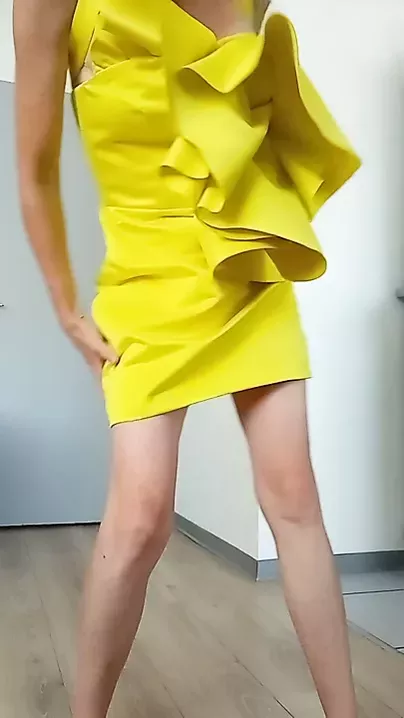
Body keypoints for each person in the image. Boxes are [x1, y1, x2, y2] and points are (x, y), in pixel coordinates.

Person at [13, 0, 361, 716]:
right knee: (141, 517)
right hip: (144, 281)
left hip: (243, 263)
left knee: (294, 497)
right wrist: (65, 306)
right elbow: (34, 168)